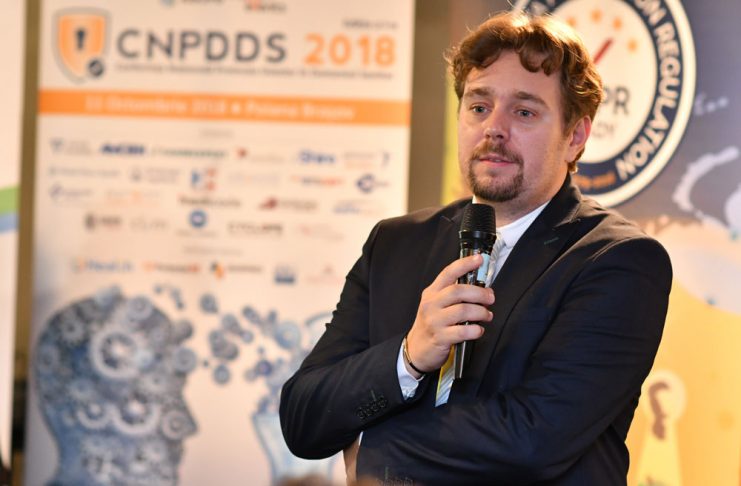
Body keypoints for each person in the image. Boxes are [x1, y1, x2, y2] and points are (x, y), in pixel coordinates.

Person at [280, 10, 672, 485]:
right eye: (479, 106)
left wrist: (375, 449)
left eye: (524, 112)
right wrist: (408, 358)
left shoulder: (617, 261)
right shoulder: (395, 244)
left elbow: (534, 439)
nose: (494, 128)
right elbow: (304, 419)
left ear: (575, 137)